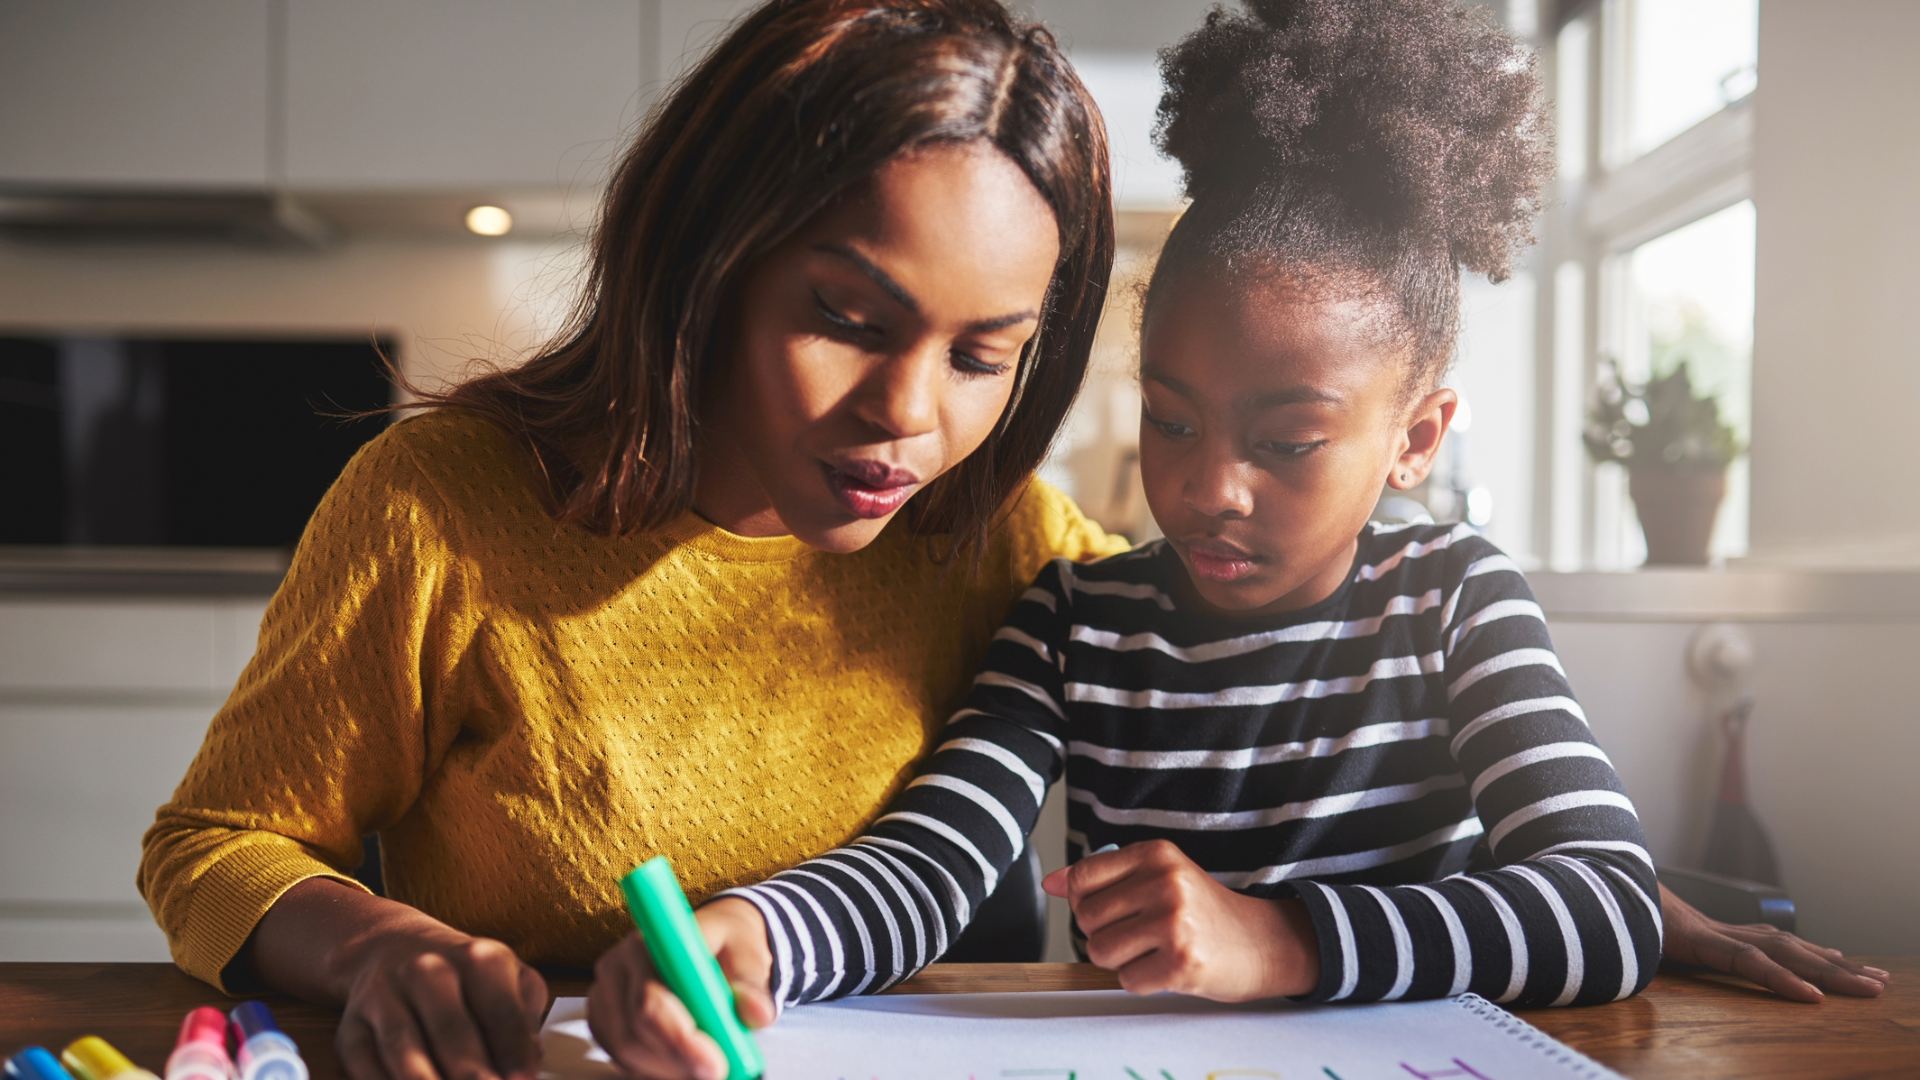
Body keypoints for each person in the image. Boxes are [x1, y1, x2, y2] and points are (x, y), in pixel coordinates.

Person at [602, 1, 1891, 1076]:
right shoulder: (1074, 621)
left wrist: (1278, 943)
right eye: (1171, 420)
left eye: (1285, 444)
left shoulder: (1451, 600)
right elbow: (931, 866)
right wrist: (765, 930)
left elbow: (1604, 902)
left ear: (1415, 438)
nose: (1211, 488)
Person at [136, 4, 1126, 1080]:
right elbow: (212, 848)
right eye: (846, 319)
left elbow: (1255, 646)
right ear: (711, 262)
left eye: (981, 359)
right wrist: (378, 947)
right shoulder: (440, 510)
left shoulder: (999, 533)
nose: (909, 413)